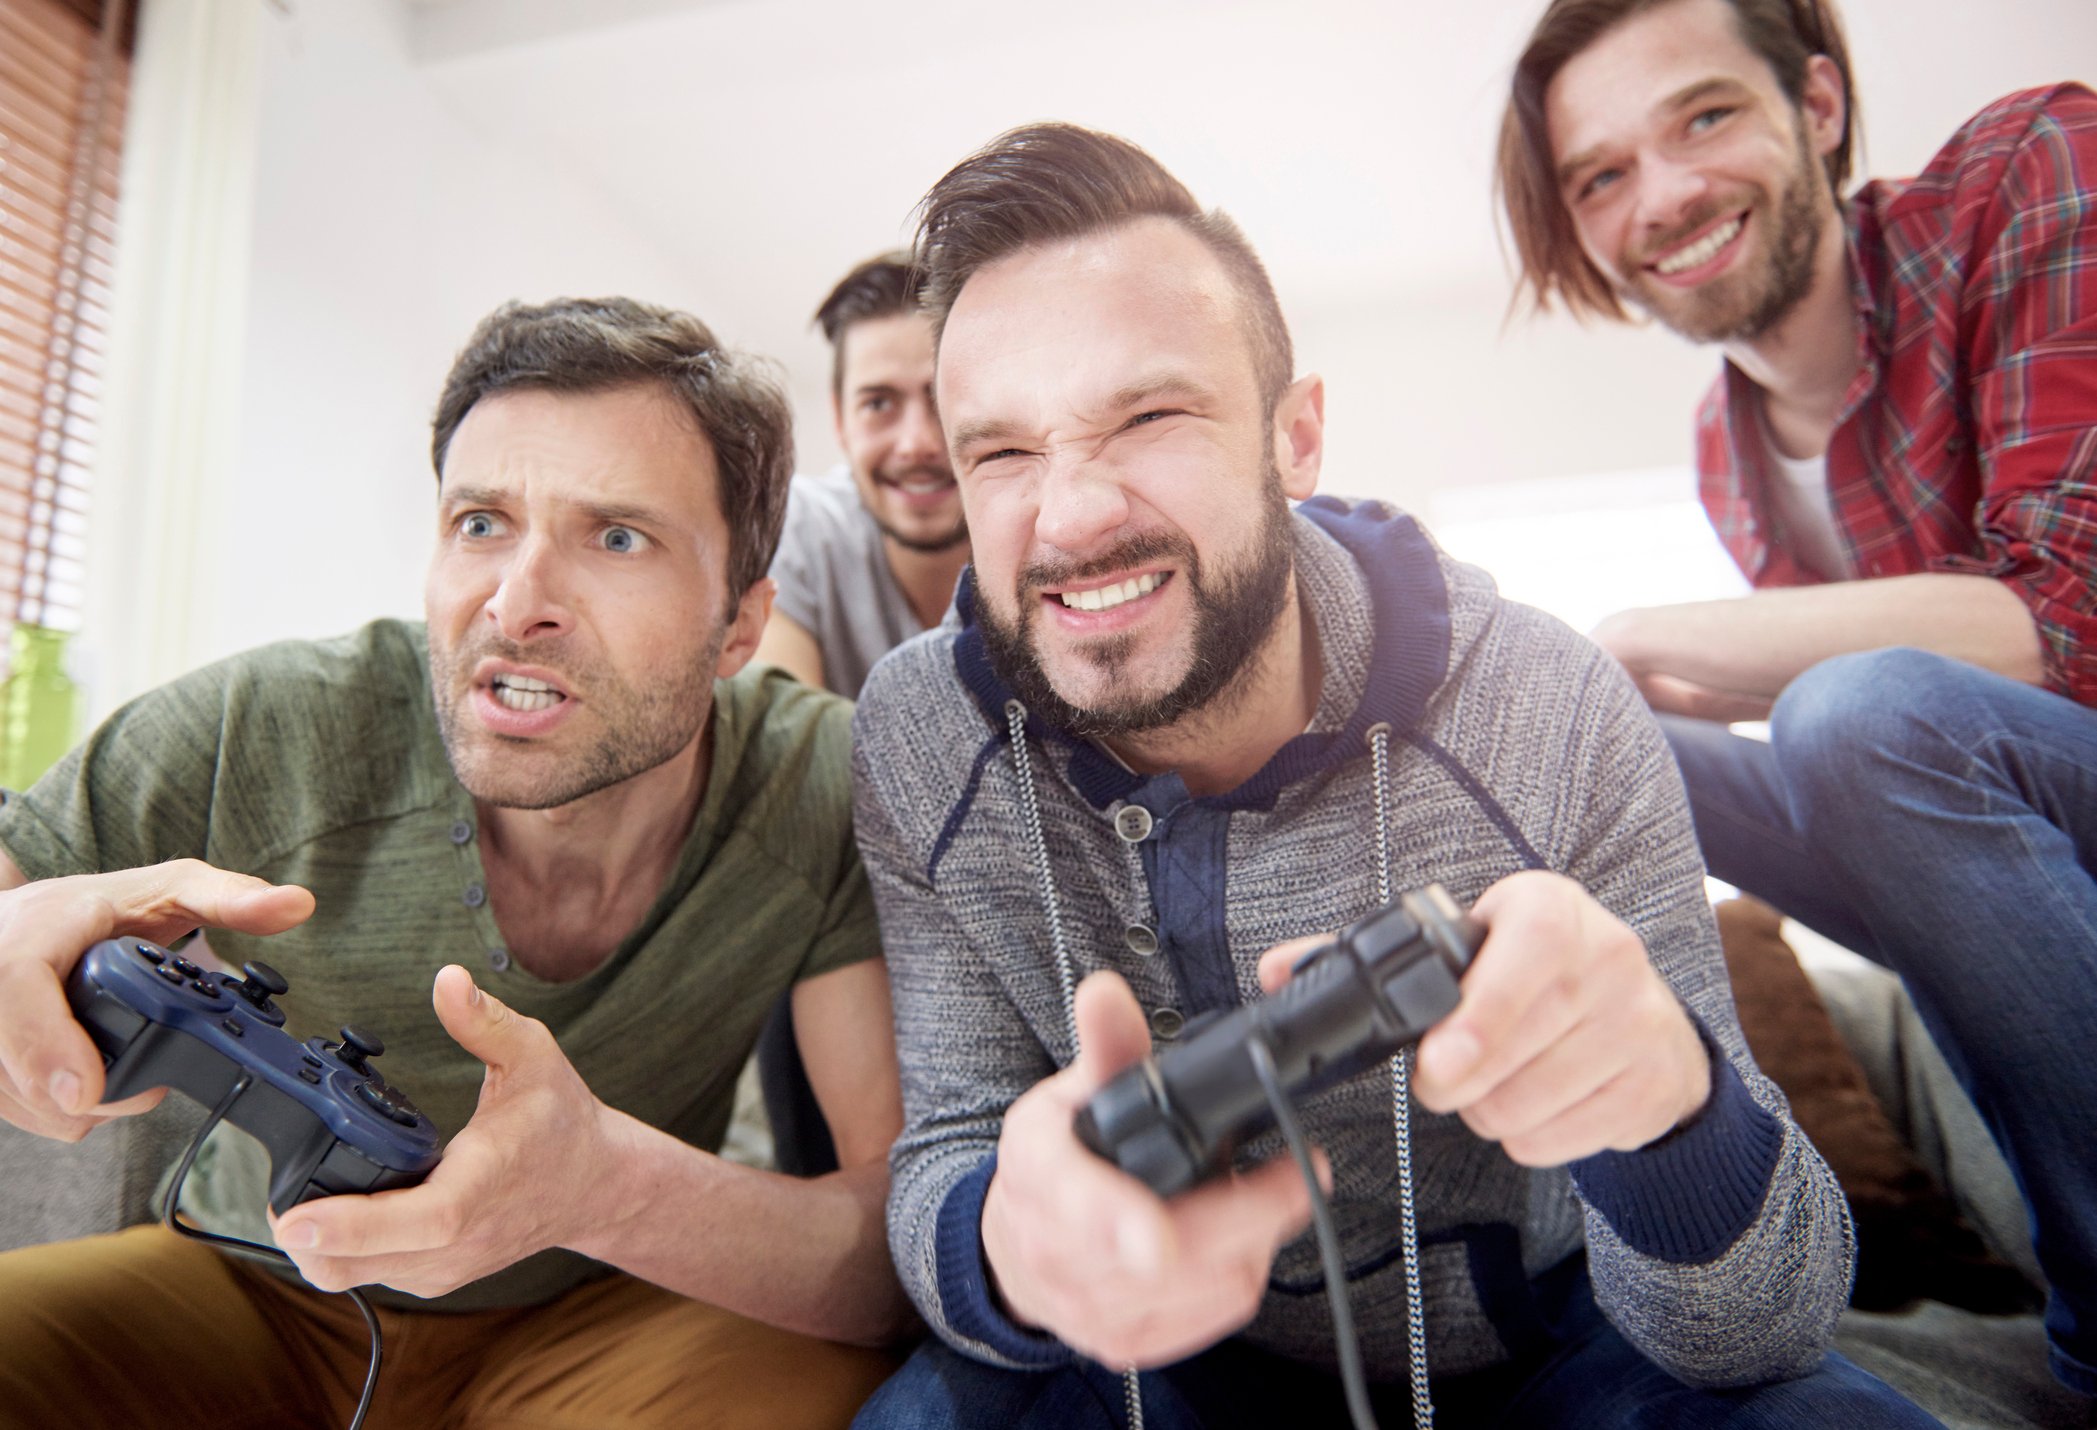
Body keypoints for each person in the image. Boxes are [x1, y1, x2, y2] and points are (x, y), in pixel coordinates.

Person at [848, 122, 1936, 1429]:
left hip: (1555, 1355)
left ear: (1295, 437)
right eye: (1003, 454)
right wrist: (1009, 1245)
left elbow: (1769, 1314)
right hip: (1137, 1370)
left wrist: (1671, 1118)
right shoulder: (916, 733)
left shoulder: (1546, 702)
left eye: (1148, 415)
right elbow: (944, 1150)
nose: (1070, 517)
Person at [0, 297, 910, 1429]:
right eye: (480, 523)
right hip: (252, 1290)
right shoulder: (268, 723)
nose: (517, 603)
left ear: (740, 625)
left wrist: (604, 1189)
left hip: (612, 1316)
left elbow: (890, 1247)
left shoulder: (821, 782)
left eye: (617, 536)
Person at [1497, 0, 2097, 1395]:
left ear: (1815, 107)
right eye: (1601, 174)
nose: (1666, 195)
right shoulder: (1727, 448)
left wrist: (1647, 626)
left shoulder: (2031, 166)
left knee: (1861, 713)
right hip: (2020, 850)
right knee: (1603, 736)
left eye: (1703, 116)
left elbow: (2062, 621)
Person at [756, 253, 969, 698]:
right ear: (840, 420)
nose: (917, 443)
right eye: (878, 404)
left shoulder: (1051, 532)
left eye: (943, 400)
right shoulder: (800, 529)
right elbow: (786, 748)